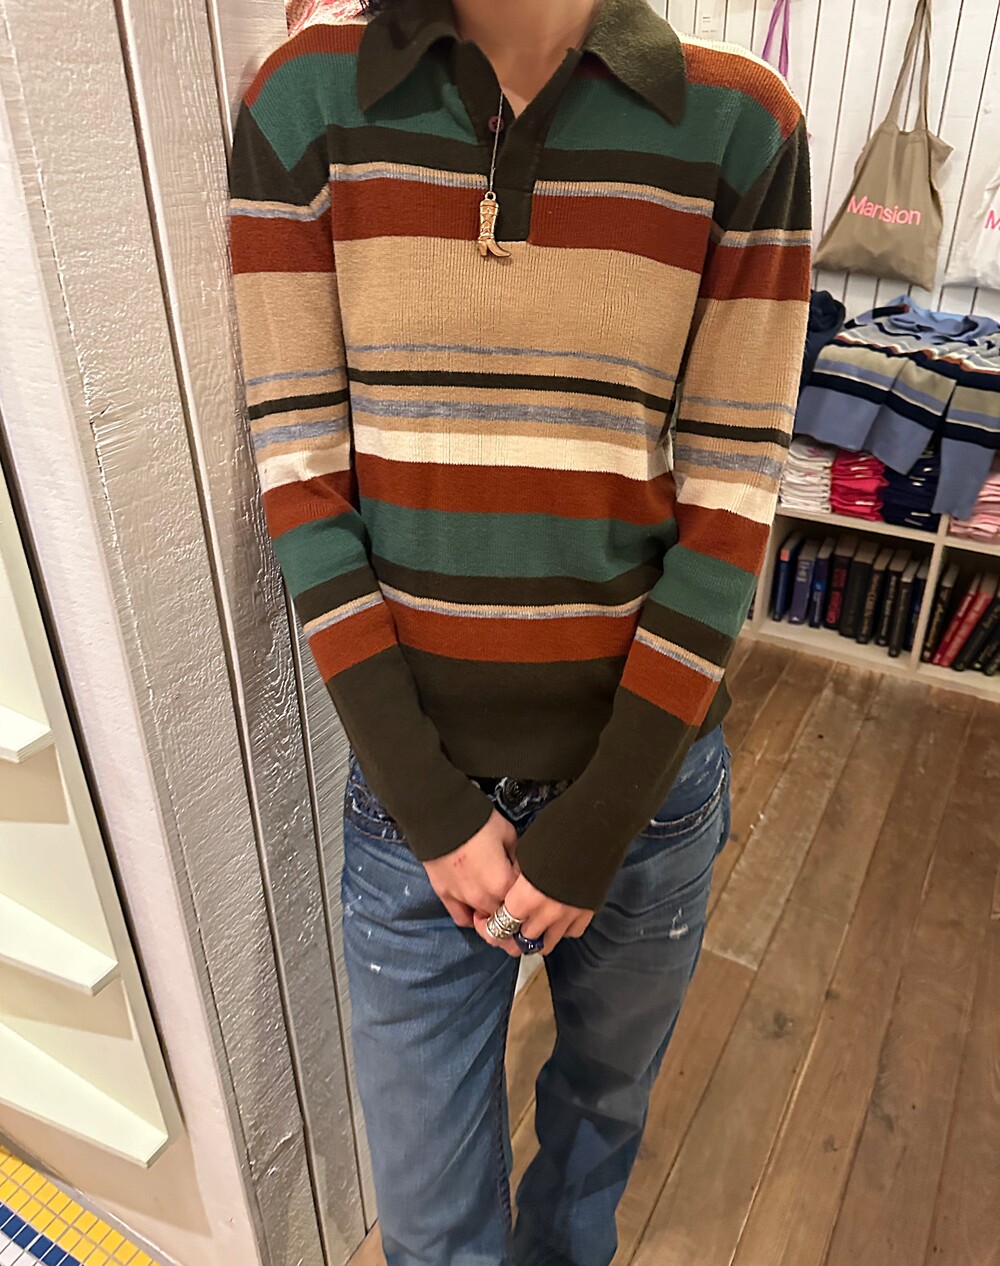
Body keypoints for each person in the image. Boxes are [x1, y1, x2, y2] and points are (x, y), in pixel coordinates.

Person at [227, 0, 811, 1261]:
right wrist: (431, 811)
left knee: (598, 1124)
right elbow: (303, 484)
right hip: (414, 804)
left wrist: (599, 824)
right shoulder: (305, 101)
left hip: (645, 794)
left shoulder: (738, 124)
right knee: (429, 1222)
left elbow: (731, 505)